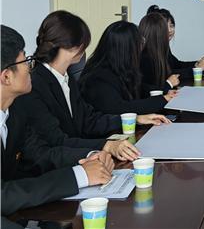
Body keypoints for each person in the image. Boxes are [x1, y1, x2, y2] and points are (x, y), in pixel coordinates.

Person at [16, 11, 170, 161]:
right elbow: (57, 141)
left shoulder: (66, 77)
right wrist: (106, 145)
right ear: (72, 47)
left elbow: (88, 120)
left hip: (77, 157)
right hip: (57, 166)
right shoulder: (35, 85)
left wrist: (135, 119)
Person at [1, 25, 113, 219]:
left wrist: (90, 157)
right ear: (6, 76)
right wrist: (79, 176)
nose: (30, 67)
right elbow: (3, 195)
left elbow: (41, 154)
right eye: (25, 60)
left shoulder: (15, 110)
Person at [80, 21, 177, 115]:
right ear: (126, 50)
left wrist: (164, 92)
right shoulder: (98, 78)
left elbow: (139, 87)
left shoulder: (119, 66)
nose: (140, 49)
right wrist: (162, 100)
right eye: (138, 45)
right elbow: (121, 108)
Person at [146, 5, 204, 78]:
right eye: (165, 26)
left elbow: (177, 64)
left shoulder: (163, 45)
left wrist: (198, 63)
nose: (170, 30)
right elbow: (167, 74)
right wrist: (197, 69)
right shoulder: (148, 51)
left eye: (171, 26)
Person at [139, 13, 181, 93]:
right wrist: (168, 84)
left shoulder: (158, 51)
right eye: (165, 30)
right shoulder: (145, 58)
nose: (169, 31)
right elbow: (144, 91)